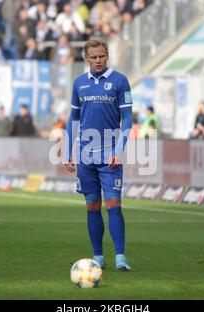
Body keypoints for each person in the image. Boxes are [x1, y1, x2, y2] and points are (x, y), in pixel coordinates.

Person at [64, 37, 133, 271]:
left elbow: (128, 119)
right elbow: (73, 119)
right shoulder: (79, 83)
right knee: (92, 205)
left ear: (107, 56)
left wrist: (119, 148)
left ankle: (121, 257)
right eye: (93, 57)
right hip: (85, 156)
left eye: (101, 56)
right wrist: (68, 151)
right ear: (86, 58)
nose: (97, 61)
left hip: (110, 155)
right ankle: (98, 257)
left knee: (113, 203)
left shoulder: (120, 81)